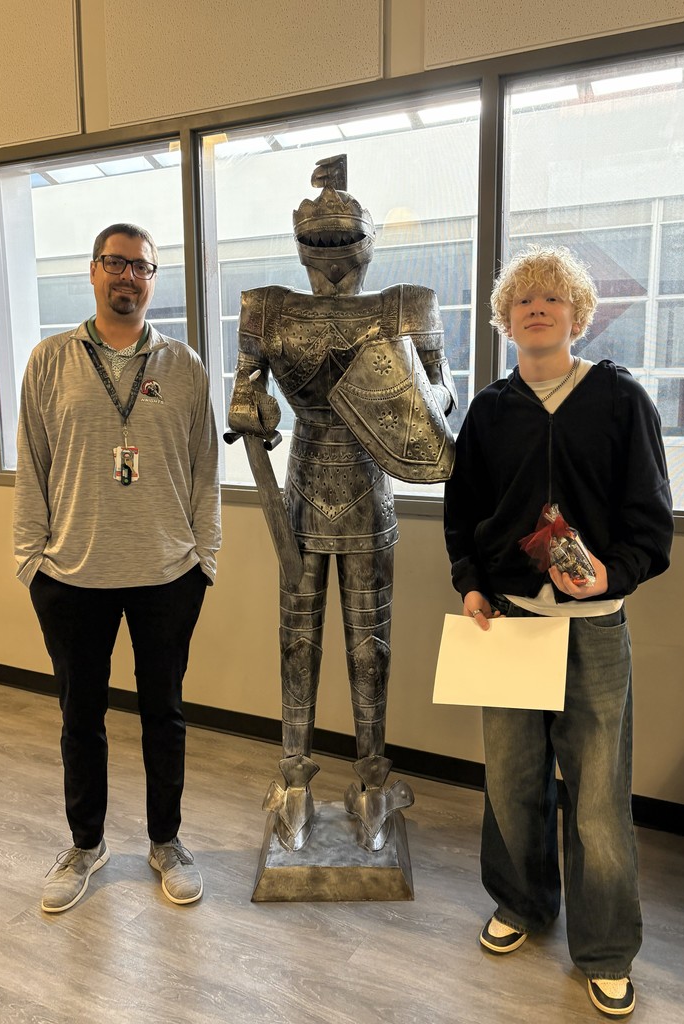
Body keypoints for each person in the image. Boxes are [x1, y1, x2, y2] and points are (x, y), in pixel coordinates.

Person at [444, 245, 673, 1017]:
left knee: (600, 799)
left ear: (578, 314)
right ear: (505, 318)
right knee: (511, 783)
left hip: (594, 631)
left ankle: (606, 948)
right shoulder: (489, 412)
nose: (537, 309)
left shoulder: (619, 400)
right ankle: (522, 903)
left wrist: (613, 574)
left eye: (553, 299)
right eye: (523, 300)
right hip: (509, 623)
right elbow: (461, 516)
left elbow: (650, 521)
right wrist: (472, 584)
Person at [227, 155, 457, 853]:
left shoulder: (406, 306)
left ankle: (372, 778)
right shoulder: (265, 307)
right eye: (316, 244)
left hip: (370, 488)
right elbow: (245, 391)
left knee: (370, 647)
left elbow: (444, 402)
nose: (329, 258)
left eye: (340, 242)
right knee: (297, 640)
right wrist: (252, 404)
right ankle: (293, 775)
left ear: (366, 242)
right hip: (298, 490)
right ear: (300, 246)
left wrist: (411, 398)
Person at [14, 223, 221, 912]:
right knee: (82, 716)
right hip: (71, 575)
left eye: (141, 266)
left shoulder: (183, 366)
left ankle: (166, 841)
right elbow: (32, 469)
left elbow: (204, 475)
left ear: (152, 279)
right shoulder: (50, 361)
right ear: (93, 272)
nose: (127, 276)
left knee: (165, 714)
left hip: (167, 573)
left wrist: (205, 562)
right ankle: (86, 842)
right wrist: (32, 563)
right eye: (115, 263)